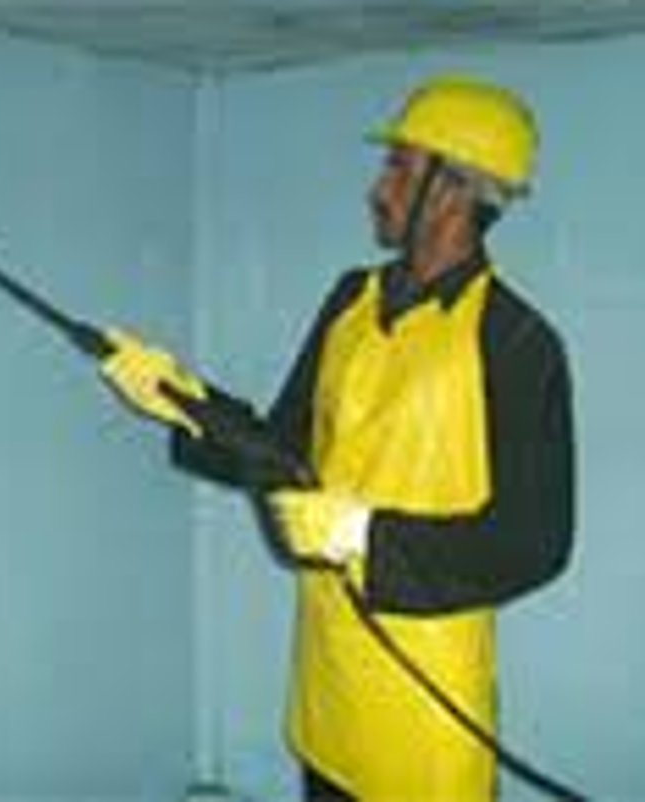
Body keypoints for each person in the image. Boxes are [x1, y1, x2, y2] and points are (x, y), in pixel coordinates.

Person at [99, 75, 575, 801]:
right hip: (327, 686)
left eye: (399, 168)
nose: (376, 188)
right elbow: (284, 453)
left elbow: (532, 541)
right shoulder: (351, 301)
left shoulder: (516, 342)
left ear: (454, 189)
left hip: (426, 708)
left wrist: (364, 534)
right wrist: (180, 399)